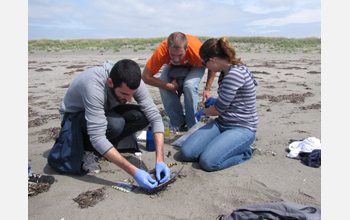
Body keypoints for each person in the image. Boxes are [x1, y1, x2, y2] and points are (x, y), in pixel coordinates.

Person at [57, 59, 170, 190]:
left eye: (132, 94)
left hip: (104, 111)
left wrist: (160, 160)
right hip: (73, 119)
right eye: (124, 94)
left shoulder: (133, 81)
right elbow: (97, 137)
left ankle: (107, 148)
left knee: (142, 116)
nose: (129, 99)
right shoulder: (93, 85)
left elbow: (155, 117)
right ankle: (86, 149)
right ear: (110, 83)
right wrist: (134, 172)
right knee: (116, 124)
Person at [180, 37, 258, 172]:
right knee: (187, 153)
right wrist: (216, 100)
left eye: (204, 63)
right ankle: (220, 146)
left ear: (212, 60)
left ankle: (245, 152)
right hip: (222, 123)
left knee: (208, 162)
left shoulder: (235, 73)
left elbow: (218, 110)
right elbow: (235, 101)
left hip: (241, 127)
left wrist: (202, 112)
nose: (205, 67)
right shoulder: (225, 71)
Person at [142, 32, 216, 132]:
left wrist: (207, 88)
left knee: (189, 85)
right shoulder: (162, 51)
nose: (176, 59)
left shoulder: (197, 51)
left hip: (195, 64)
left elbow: (212, 66)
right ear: (167, 48)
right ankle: (178, 122)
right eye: (172, 54)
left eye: (180, 55)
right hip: (172, 65)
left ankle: (191, 124)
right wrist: (169, 86)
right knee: (163, 85)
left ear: (187, 48)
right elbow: (146, 77)